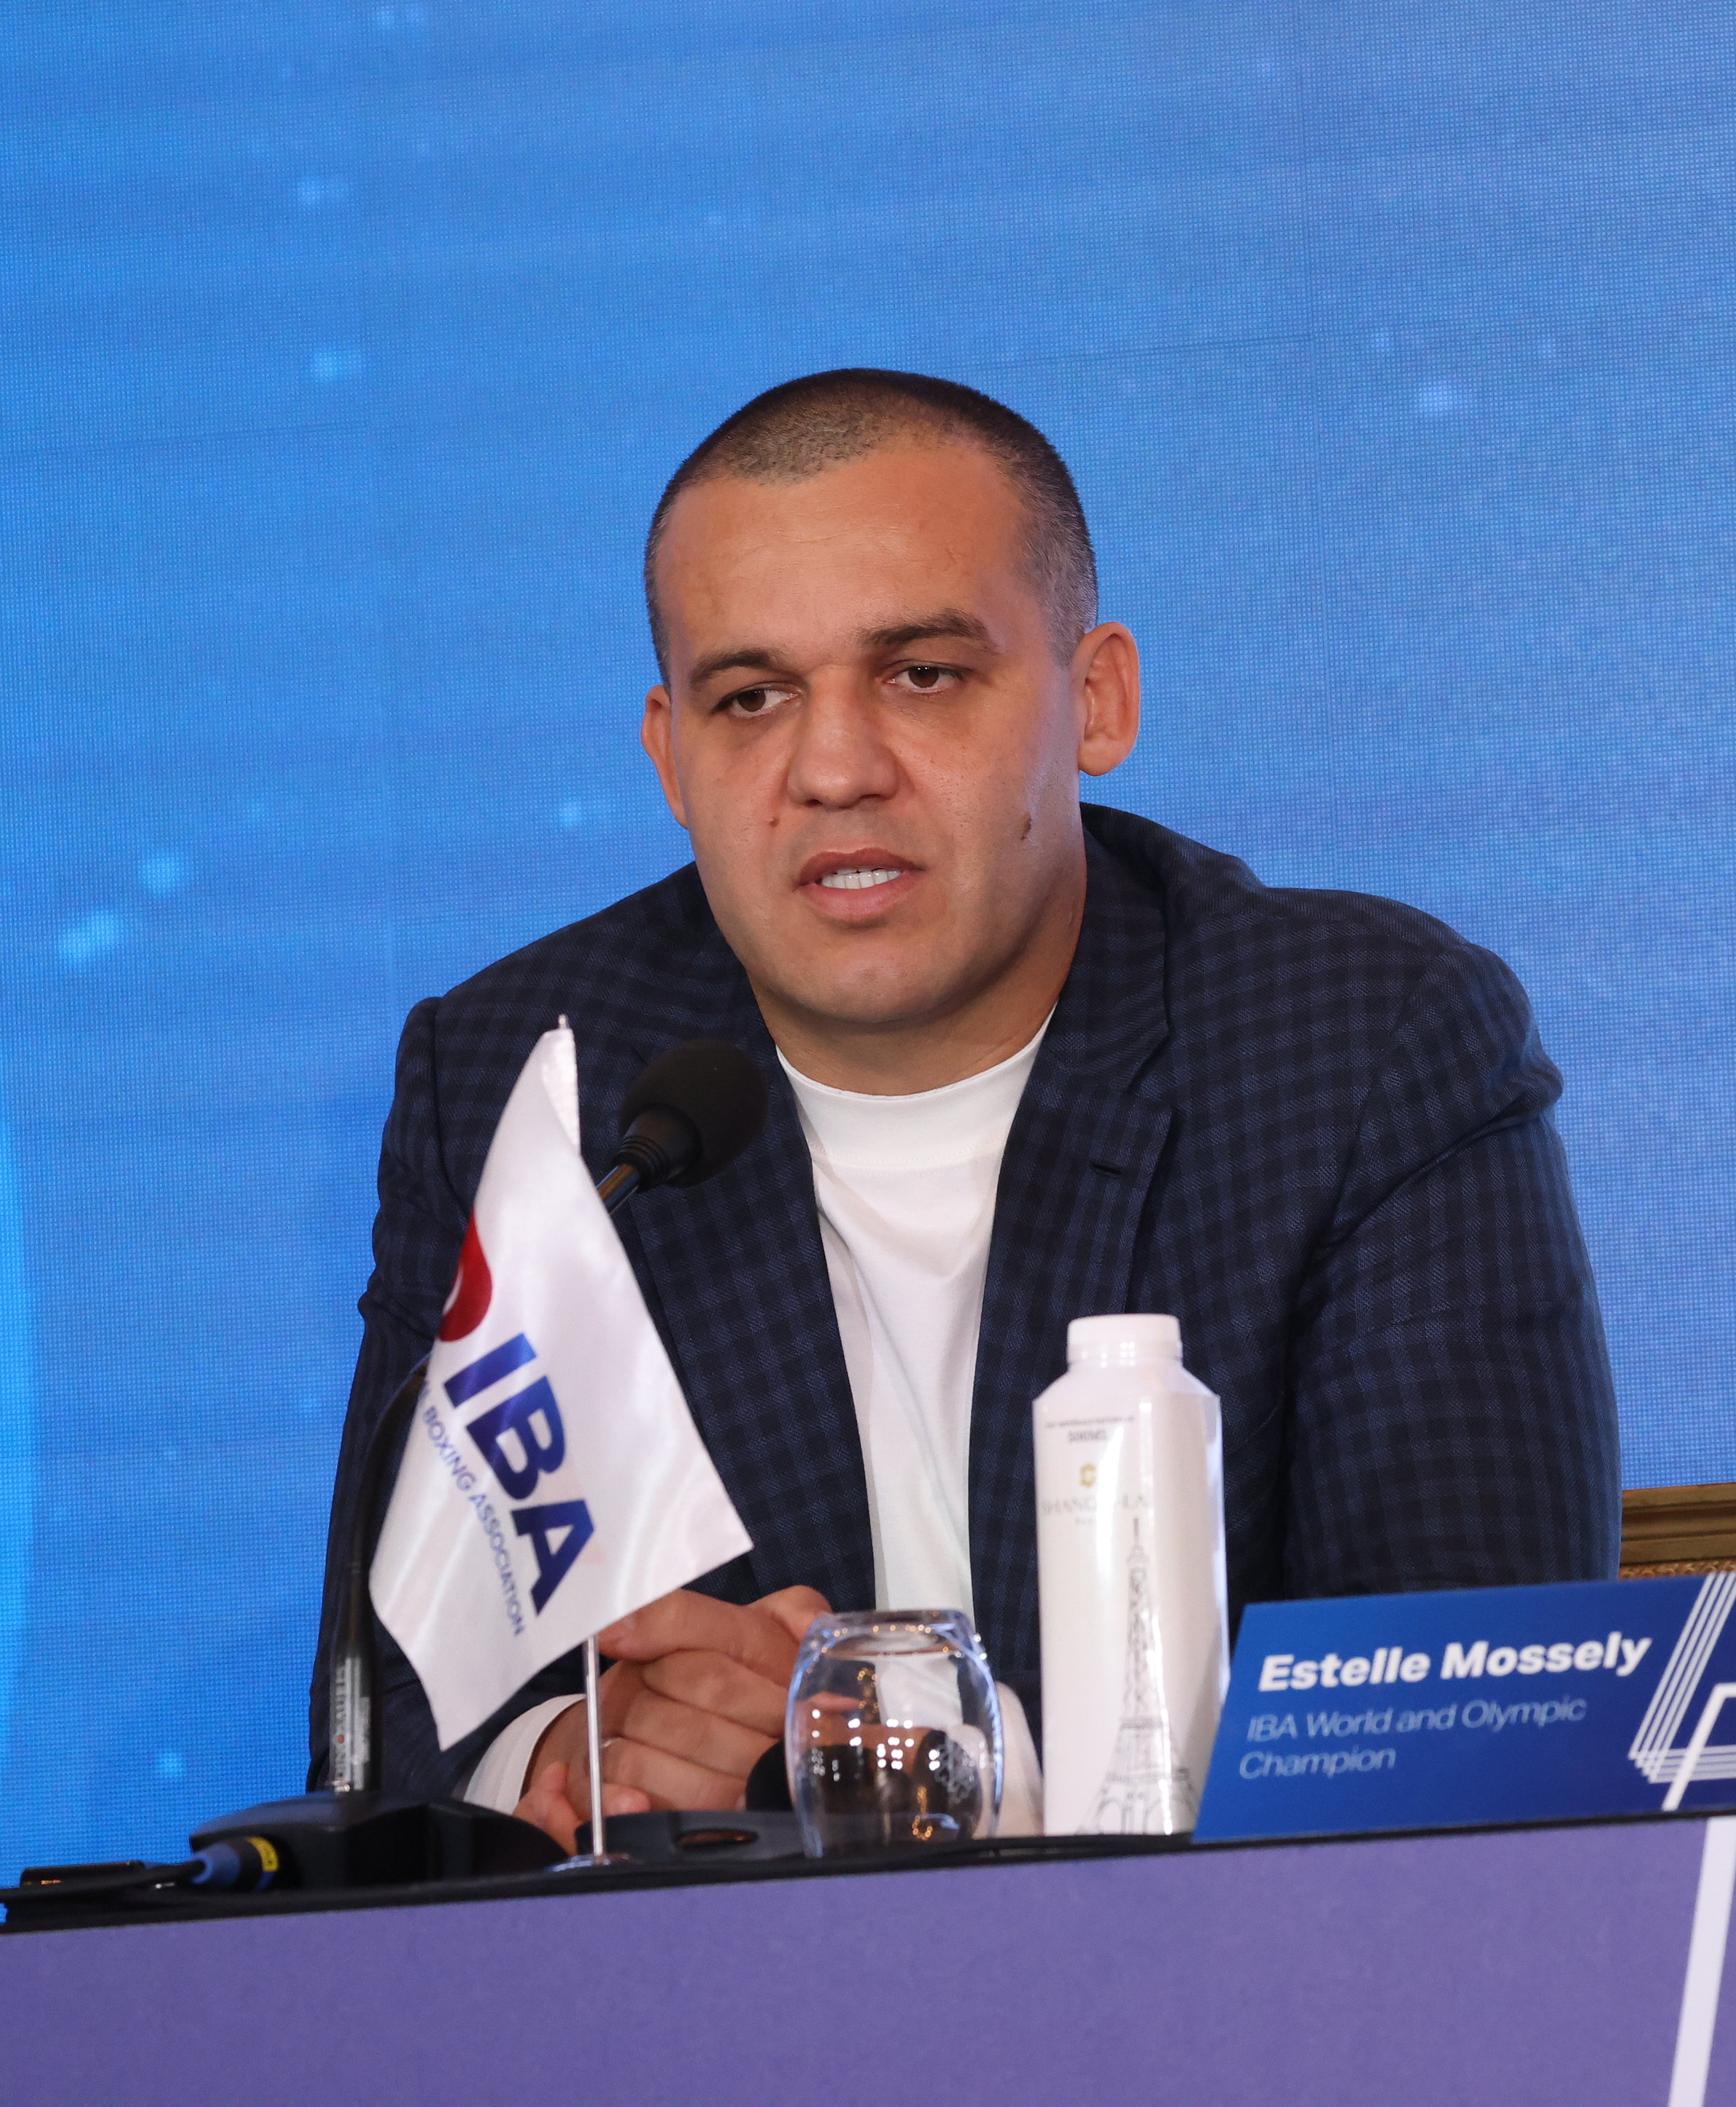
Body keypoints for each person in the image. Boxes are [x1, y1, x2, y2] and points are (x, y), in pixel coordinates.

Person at [319, 370, 1623, 1844]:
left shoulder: (1351, 1044)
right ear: (669, 755)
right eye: (750, 700)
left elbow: (1468, 1712)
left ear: (1094, 698)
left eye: (922, 674)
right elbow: (390, 1716)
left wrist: (880, 1760)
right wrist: (571, 1758)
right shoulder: (534, 1084)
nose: (833, 769)